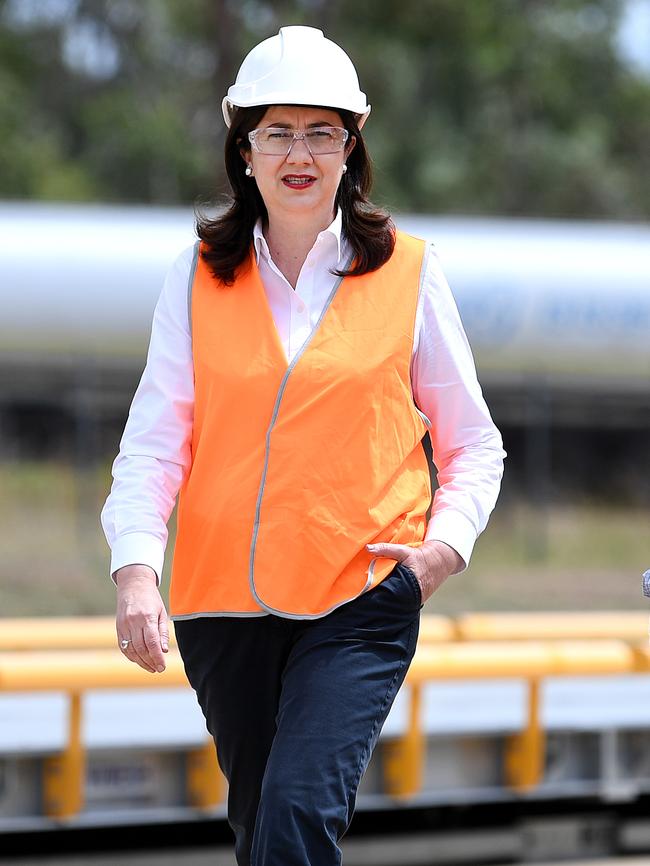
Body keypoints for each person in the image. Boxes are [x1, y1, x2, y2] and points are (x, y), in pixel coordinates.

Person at [101, 24, 505, 866]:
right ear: (242, 149)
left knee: (294, 817)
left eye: (322, 132)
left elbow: (474, 444)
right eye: (277, 131)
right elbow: (153, 444)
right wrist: (137, 571)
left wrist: (439, 555)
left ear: (351, 148)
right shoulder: (195, 276)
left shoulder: (410, 273)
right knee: (259, 831)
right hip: (222, 608)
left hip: (359, 601)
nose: (299, 152)